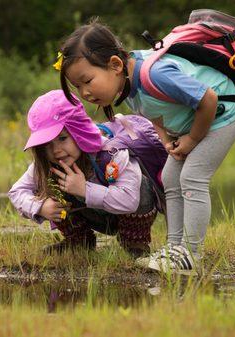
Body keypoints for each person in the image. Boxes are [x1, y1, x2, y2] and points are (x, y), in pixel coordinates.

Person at [57, 19, 235, 275]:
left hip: (221, 117)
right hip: (192, 126)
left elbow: (208, 99)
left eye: (87, 80)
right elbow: (154, 112)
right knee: (170, 177)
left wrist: (191, 140)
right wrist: (166, 138)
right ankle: (174, 248)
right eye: (77, 87)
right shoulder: (127, 84)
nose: (84, 92)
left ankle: (192, 254)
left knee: (192, 177)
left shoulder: (154, 74)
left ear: (115, 65)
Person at [9, 90, 161, 257]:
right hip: (93, 214)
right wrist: (40, 207)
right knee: (49, 180)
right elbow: (17, 192)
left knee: (142, 185)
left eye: (62, 138)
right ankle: (79, 241)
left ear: (79, 131)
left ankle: (135, 245)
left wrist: (84, 189)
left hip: (126, 213)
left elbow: (130, 200)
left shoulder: (111, 152)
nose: (56, 150)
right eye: (46, 145)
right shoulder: (49, 163)